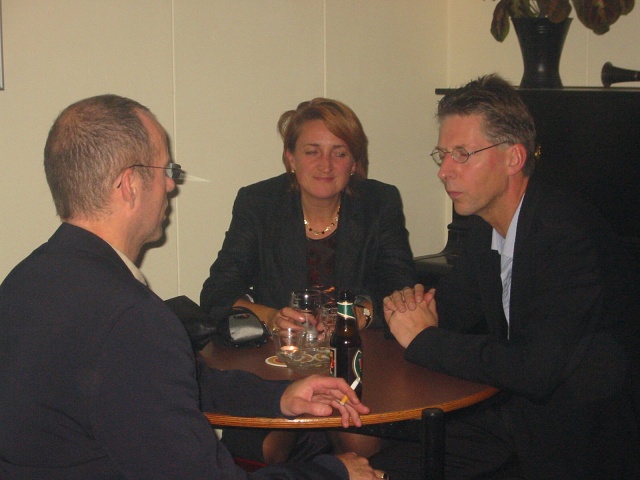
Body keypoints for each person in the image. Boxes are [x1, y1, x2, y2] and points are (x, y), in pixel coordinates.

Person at [0, 94, 388, 480]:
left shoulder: (24, 281)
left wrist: (280, 396)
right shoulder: (133, 320)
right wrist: (335, 473)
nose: (171, 185)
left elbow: (172, 380)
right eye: (166, 170)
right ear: (130, 185)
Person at [380, 75, 640, 479]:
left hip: (584, 437)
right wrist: (403, 311)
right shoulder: (486, 225)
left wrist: (423, 337)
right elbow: (448, 311)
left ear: (514, 159)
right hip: (520, 414)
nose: (444, 171)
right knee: (382, 459)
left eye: (462, 154)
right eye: (442, 155)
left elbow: (534, 370)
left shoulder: (565, 234)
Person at [200, 98, 416, 464]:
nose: (326, 165)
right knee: (266, 449)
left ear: (354, 162)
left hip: (357, 366)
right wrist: (272, 317)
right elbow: (217, 293)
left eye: (339, 153)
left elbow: (401, 287)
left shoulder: (379, 202)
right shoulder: (258, 203)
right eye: (312, 151)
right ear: (291, 158)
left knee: (361, 445)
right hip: (277, 369)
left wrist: (355, 316)